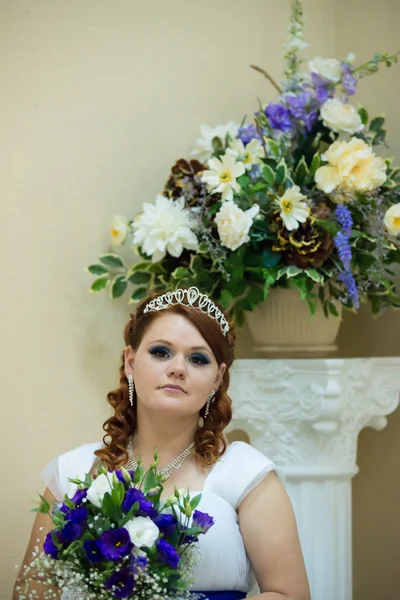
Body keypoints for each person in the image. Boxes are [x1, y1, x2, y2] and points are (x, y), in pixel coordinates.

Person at [13, 286, 311, 600]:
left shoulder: (247, 474)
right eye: (161, 352)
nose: (177, 368)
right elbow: (32, 589)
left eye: (198, 359)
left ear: (217, 379)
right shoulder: (73, 471)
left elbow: (290, 595)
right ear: (130, 361)